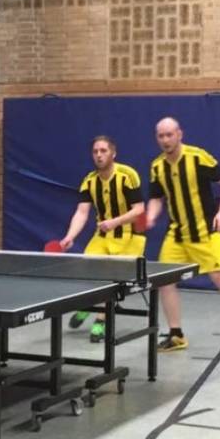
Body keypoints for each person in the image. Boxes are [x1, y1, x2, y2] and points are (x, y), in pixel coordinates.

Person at [145, 117, 220, 352]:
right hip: (177, 234)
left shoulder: (197, 157)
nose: (165, 140)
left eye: (169, 134)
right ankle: (176, 334)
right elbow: (156, 197)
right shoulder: (157, 166)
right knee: (165, 281)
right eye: (161, 136)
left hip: (206, 232)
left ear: (179, 134)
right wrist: (151, 216)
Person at [59, 136, 146, 342]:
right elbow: (82, 212)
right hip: (103, 235)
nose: (99, 155)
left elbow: (139, 210)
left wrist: (115, 222)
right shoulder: (89, 181)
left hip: (129, 237)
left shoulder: (127, 175)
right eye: (95, 151)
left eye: (103, 151)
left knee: (113, 282)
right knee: (88, 274)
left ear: (113, 153)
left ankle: (100, 320)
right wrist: (70, 236)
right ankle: (87, 306)